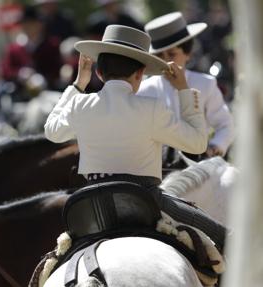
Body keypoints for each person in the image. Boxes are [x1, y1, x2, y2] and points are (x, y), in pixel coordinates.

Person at [44, 25, 226, 248]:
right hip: (146, 201)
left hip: (92, 205)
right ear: (140, 74)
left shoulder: (80, 104)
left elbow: (51, 131)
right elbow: (197, 144)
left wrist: (78, 85)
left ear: (99, 73)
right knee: (227, 239)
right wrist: (184, 91)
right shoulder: (151, 108)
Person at [138, 12, 235, 158]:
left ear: (187, 53)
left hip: (200, 164)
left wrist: (215, 147)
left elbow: (225, 124)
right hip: (158, 169)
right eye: (159, 56)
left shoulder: (205, 83)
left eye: (172, 54)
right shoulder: (144, 89)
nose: (166, 62)